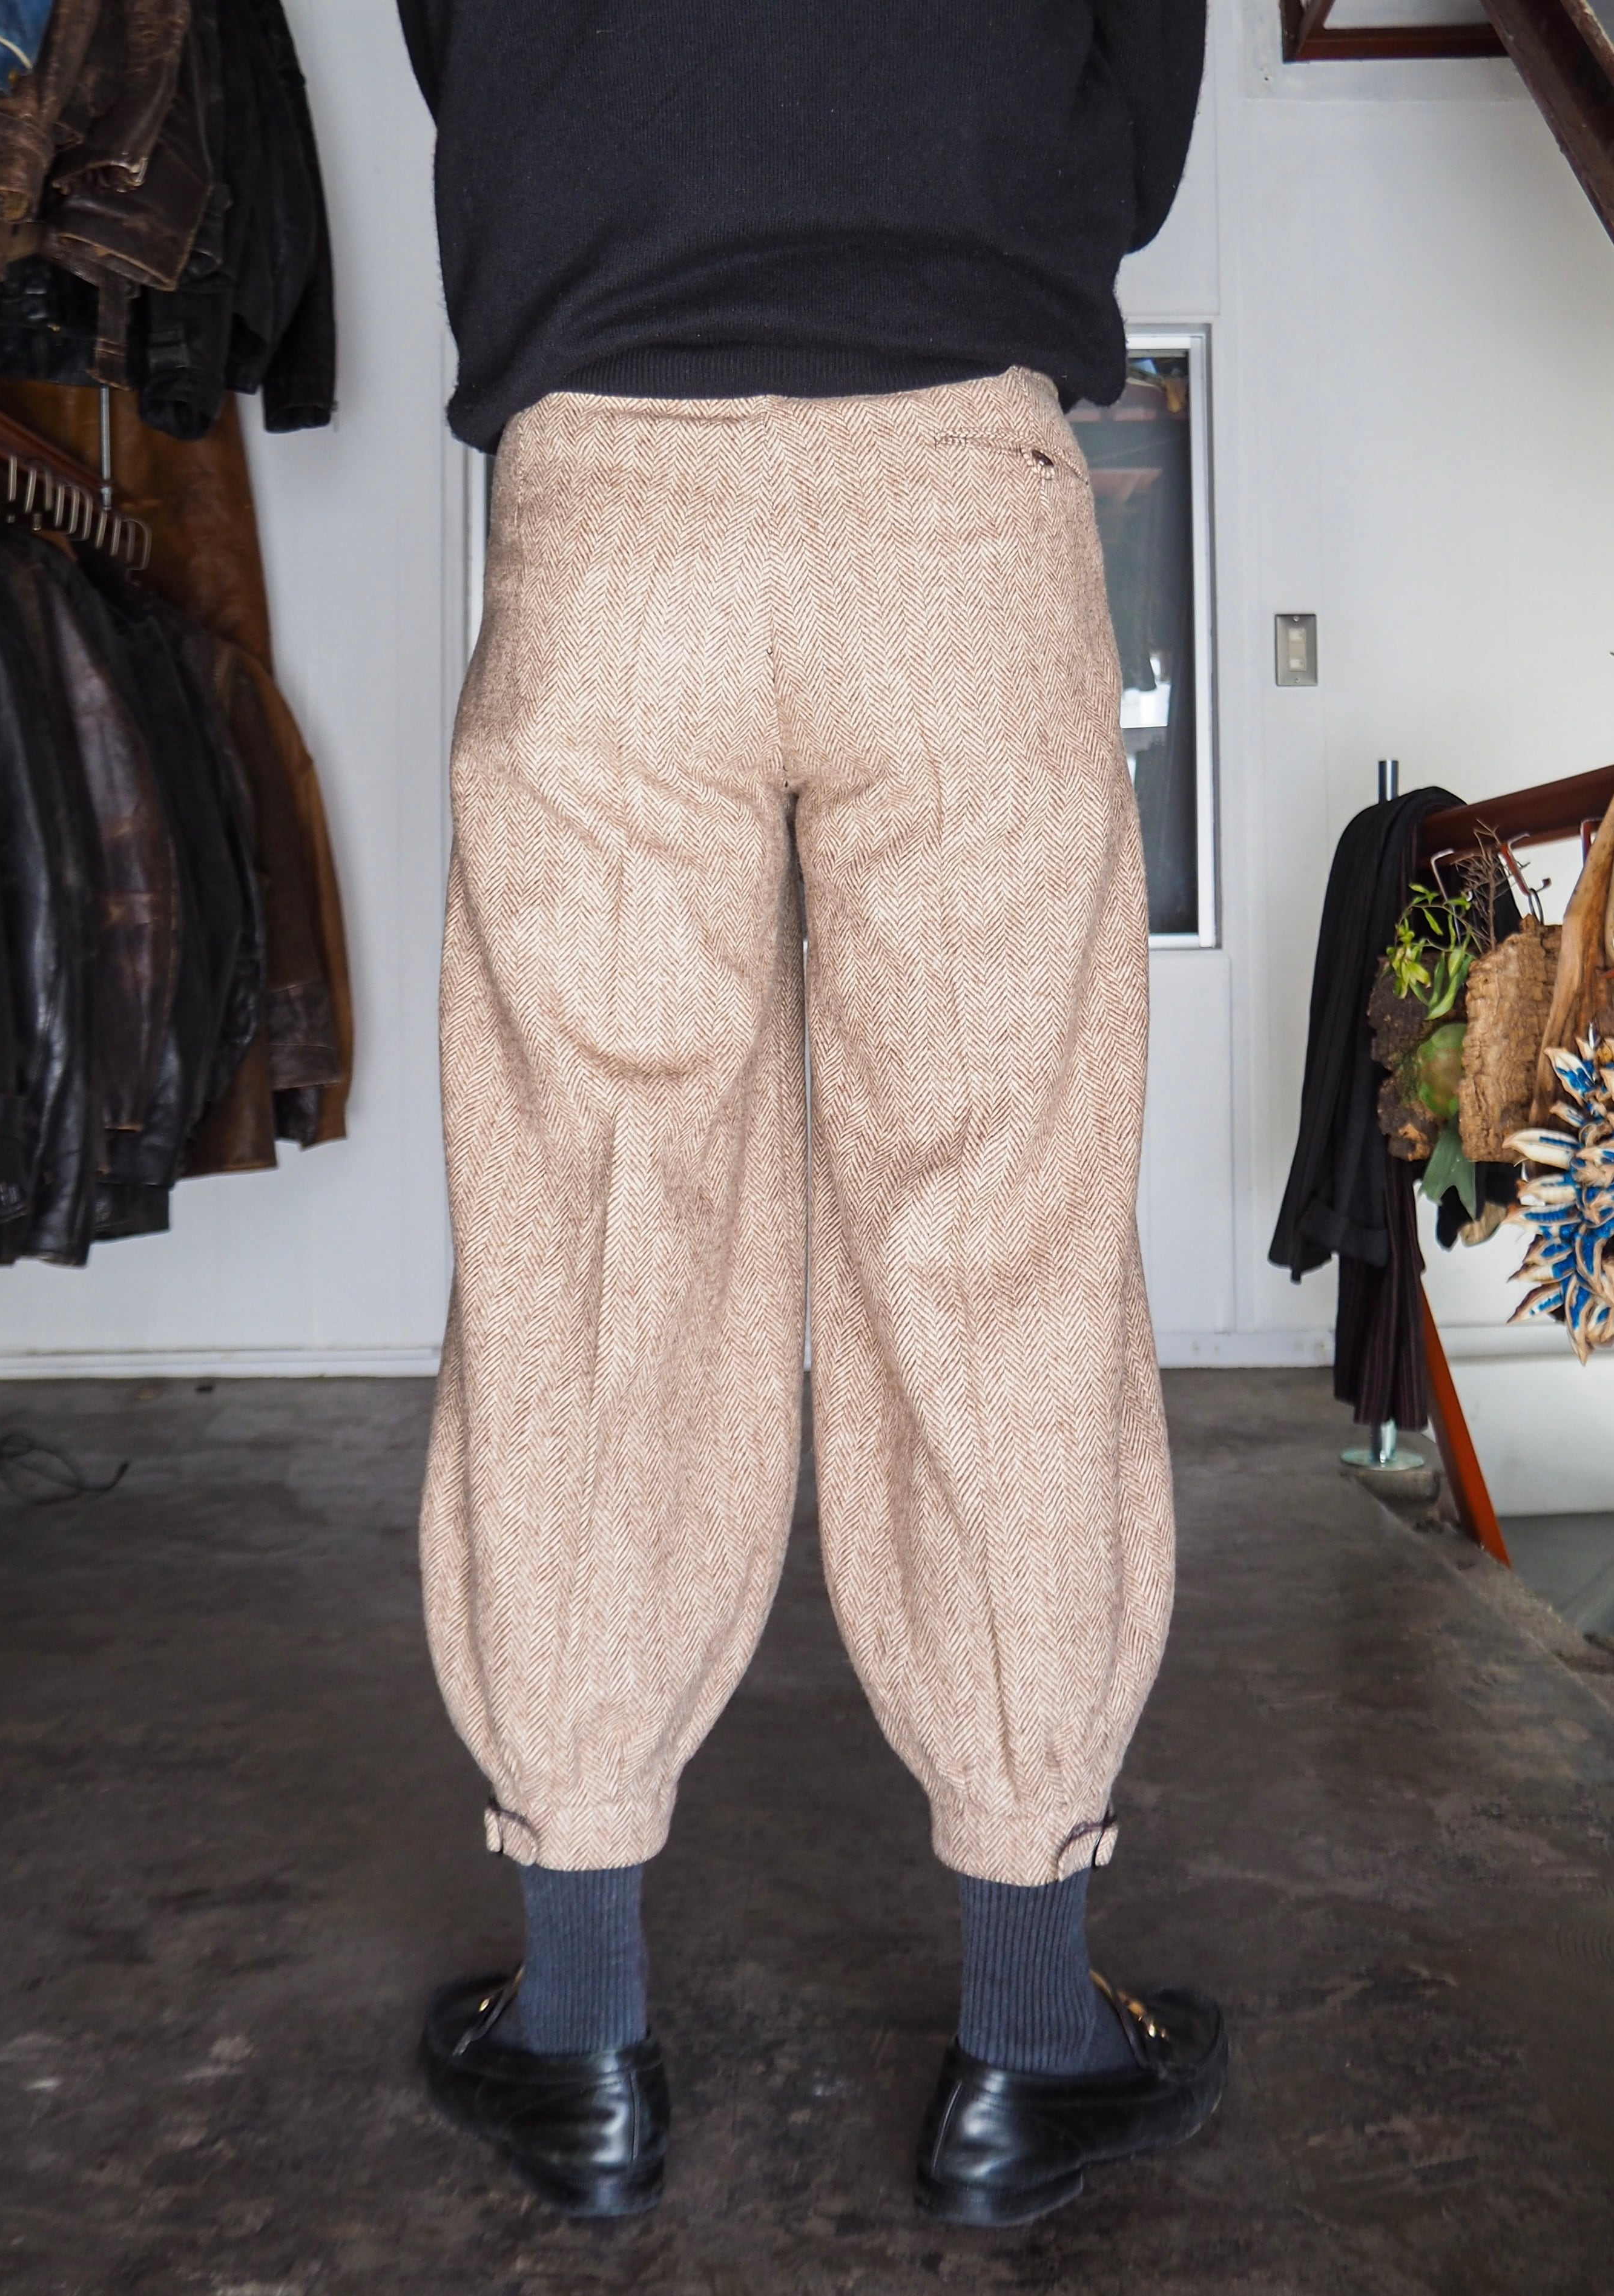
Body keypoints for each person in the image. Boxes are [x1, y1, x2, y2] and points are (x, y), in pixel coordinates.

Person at [395, 0, 1225, 2227]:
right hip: (958, 498)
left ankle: (582, 2034)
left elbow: (457, 43)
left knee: (589, 1242)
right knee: (1000, 1245)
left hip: (607, 498)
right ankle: (1030, 2036)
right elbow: (1138, 111)